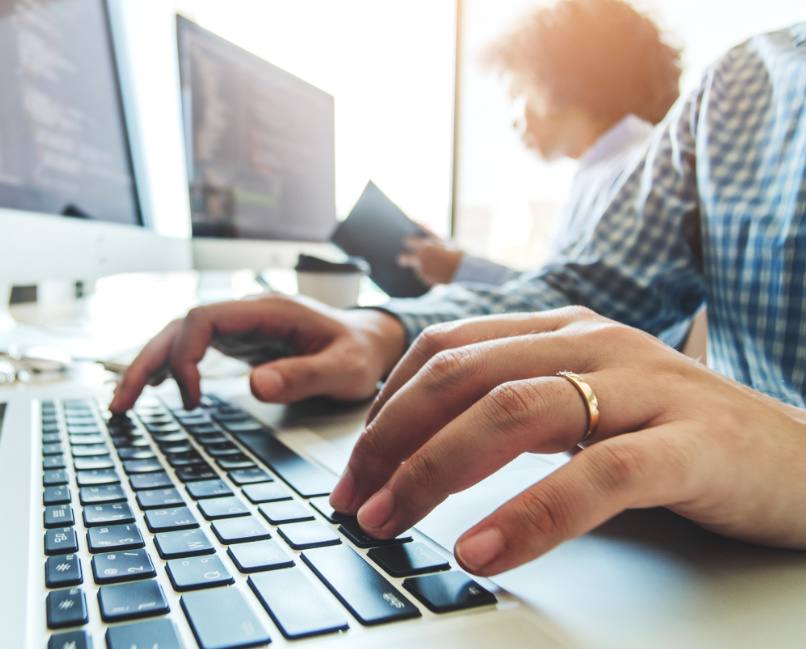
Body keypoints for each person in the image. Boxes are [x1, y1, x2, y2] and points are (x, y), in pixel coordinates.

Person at [110, 23, 806, 577]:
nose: (510, 116)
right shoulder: (747, 85)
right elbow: (588, 290)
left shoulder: (627, 153)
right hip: (716, 564)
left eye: (518, 91)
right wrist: (380, 329)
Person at [398, 0, 682, 288]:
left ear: (563, 79)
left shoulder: (632, 174)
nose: (513, 120)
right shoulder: (608, 170)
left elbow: (580, 306)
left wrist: (462, 270)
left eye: (517, 91)